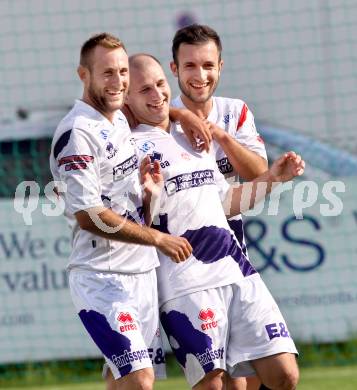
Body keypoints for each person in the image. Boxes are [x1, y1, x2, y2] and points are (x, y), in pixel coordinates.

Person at [123, 53, 303, 390]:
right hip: (183, 283)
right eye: (144, 89)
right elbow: (128, 226)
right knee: (214, 386)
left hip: (236, 269)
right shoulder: (126, 148)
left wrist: (273, 178)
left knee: (284, 374)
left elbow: (226, 203)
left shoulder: (193, 135)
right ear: (127, 98)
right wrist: (148, 196)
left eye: (160, 84)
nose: (157, 95)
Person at [49, 33, 193, 390]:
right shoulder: (78, 131)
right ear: (84, 75)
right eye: (107, 73)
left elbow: (121, 202)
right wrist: (158, 237)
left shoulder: (116, 122)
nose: (118, 82)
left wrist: (148, 195)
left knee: (124, 382)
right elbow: (89, 215)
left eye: (123, 71)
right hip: (103, 278)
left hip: (140, 273)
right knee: (140, 381)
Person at [169, 23, 269, 390]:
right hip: (188, 260)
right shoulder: (159, 116)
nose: (200, 75)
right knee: (219, 378)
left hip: (233, 249)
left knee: (254, 370)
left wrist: (221, 135)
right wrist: (180, 116)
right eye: (190, 66)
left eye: (208, 65)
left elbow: (258, 172)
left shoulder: (235, 111)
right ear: (174, 68)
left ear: (220, 67)